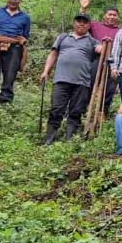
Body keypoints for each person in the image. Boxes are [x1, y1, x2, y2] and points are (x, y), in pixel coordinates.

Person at [40, 12, 102, 144]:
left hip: (82, 82)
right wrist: (46, 71)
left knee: (76, 110)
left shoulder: (92, 41)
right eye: (78, 21)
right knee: (56, 108)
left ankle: (69, 138)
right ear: (74, 23)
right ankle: (49, 138)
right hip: (61, 79)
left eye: (84, 22)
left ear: (88, 25)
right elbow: (53, 54)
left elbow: (102, 51)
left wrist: (102, 48)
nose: (81, 24)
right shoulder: (63, 37)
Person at [79, 0, 122, 113]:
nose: (112, 17)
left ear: (117, 17)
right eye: (109, 14)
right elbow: (81, 25)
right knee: (89, 84)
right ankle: (82, 109)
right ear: (105, 15)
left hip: (113, 63)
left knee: (110, 89)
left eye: (114, 15)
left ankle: (103, 112)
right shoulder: (95, 26)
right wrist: (83, 9)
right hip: (96, 60)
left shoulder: (121, 31)